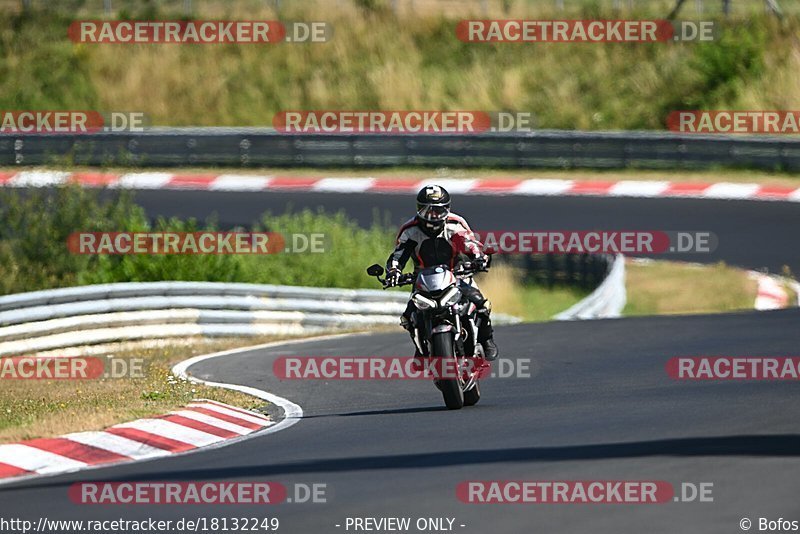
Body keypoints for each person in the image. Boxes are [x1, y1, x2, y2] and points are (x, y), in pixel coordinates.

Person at [384, 184, 498, 361]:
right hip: (423, 278)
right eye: (427, 210)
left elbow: (469, 243)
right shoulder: (410, 230)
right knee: (408, 317)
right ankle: (420, 348)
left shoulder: (455, 224)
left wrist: (478, 258)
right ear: (418, 209)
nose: (432, 216)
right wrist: (393, 272)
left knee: (481, 303)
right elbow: (399, 255)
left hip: (457, 274)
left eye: (437, 211)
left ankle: (486, 339)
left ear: (447, 209)